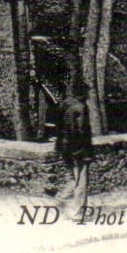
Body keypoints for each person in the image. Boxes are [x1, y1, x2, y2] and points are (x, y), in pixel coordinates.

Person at [55, 84, 93, 217]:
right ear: (82, 93)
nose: (89, 95)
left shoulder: (64, 104)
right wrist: (85, 151)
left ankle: (61, 198)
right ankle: (78, 210)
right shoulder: (81, 108)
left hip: (65, 147)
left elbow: (58, 126)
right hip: (79, 148)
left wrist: (60, 146)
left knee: (73, 177)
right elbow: (82, 130)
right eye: (87, 92)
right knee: (82, 179)